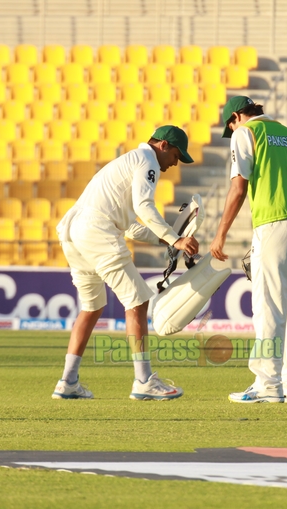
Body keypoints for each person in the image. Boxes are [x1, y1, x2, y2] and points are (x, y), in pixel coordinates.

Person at [52, 125, 199, 400]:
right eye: (177, 156)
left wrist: (168, 240)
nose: (175, 164)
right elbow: (145, 207)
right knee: (138, 301)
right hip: (96, 230)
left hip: (72, 232)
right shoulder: (147, 161)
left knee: (92, 307)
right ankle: (143, 381)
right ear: (164, 145)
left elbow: (130, 226)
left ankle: (68, 381)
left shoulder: (128, 162)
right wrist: (175, 239)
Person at [210, 96, 287, 404]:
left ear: (236, 117)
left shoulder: (246, 133)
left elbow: (238, 186)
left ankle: (267, 383)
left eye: (231, 125)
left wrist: (220, 234)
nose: (232, 130)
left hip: (273, 219)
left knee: (268, 304)